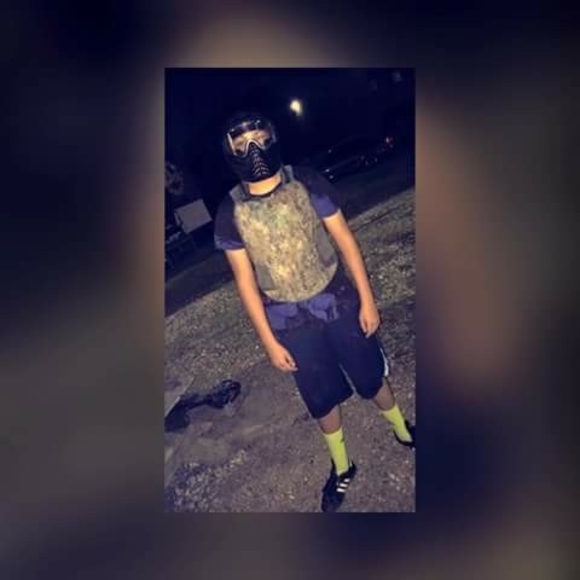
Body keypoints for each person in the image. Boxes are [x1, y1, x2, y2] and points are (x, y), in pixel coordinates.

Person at [214, 111, 415, 512]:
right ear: (231, 153)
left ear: (273, 139)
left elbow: (345, 240)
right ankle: (343, 465)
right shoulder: (230, 211)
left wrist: (367, 299)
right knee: (320, 397)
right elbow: (245, 283)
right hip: (289, 321)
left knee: (370, 375)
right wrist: (269, 342)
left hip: (337, 300)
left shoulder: (306, 181)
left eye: (260, 140)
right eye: (242, 145)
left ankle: (401, 428)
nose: (253, 150)